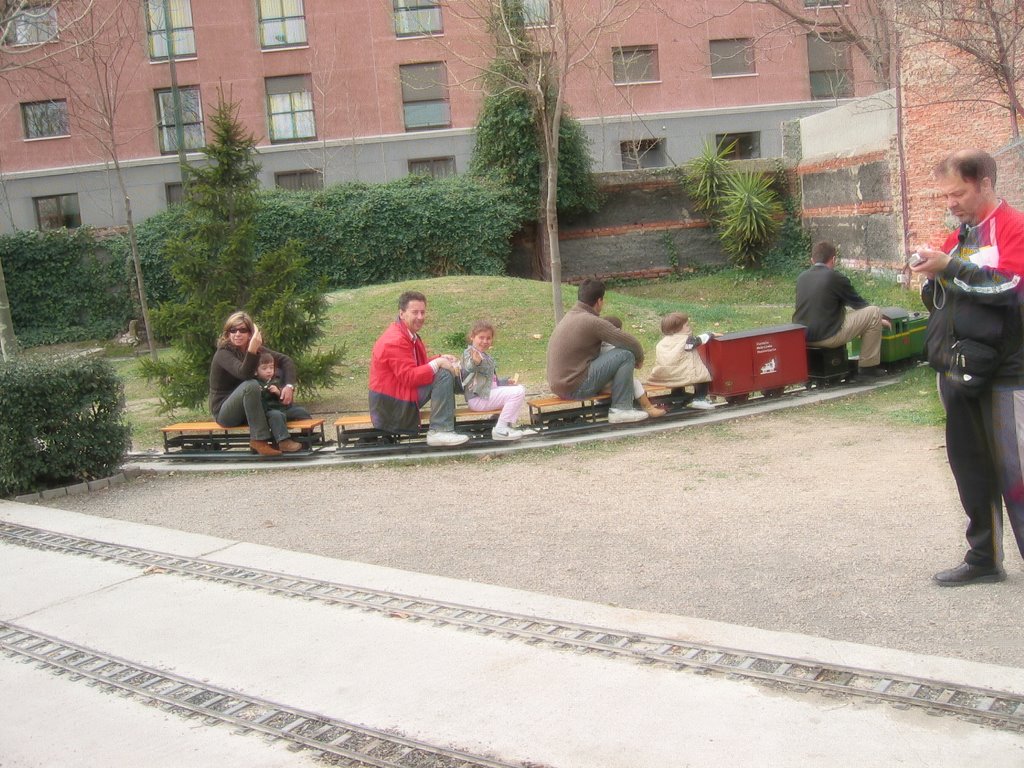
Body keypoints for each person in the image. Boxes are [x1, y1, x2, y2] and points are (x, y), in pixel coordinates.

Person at [910, 148, 1024, 587]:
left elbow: (1012, 285)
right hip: (958, 367)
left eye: (957, 193)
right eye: (944, 195)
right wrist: (932, 270)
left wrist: (950, 268)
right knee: (969, 467)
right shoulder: (961, 236)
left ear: (986, 184)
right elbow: (951, 282)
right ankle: (983, 557)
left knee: (1018, 473)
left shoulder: (1014, 226)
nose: (950, 203)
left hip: (1008, 372)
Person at [369, 291, 469, 447]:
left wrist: (439, 358)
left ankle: (486, 391)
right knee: (442, 374)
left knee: (446, 369)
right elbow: (409, 377)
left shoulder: (406, 334)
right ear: (401, 313)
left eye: (423, 312)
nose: (420, 317)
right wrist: (438, 364)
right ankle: (439, 431)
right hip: (391, 404)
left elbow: (416, 366)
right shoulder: (395, 340)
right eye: (415, 312)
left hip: (397, 395)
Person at [546, 278, 649, 423]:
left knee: (619, 355)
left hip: (559, 385)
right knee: (626, 355)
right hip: (574, 387)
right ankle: (621, 409)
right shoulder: (591, 321)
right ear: (599, 301)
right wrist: (640, 358)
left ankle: (613, 402)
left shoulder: (570, 316)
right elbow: (630, 342)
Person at [209, 311, 310, 456]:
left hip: (251, 408)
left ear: (251, 333)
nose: (237, 334)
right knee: (250, 385)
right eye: (233, 330)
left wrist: (288, 386)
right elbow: (244, 374)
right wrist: (252, 349)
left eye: (242, 330)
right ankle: (259, 440)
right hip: (225, 412)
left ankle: (295, 440)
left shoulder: (257, 351)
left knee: (298, 412)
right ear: (227, 333)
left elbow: (285, 360)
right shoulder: (223, 353)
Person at [793, 241, 890, 377]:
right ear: (833, 259)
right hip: (827, 336)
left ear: (812, 260)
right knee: (874, 312)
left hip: (803, 336)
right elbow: (859, 304)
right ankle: (868, 367)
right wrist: (881, 319)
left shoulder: (801, 278)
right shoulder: (835, 277)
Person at [460, 320, 530, 441]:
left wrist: (505, 382)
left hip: (487, 395)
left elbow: (492, 382)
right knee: (518, 392)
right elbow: (468, 368)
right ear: (472, 337)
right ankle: (501, 429)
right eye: (481, 338)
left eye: (488, 338)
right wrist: (476, 362)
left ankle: (499, 421)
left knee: (517, 389)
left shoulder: (485, 355)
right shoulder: (469, 354)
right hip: (478, 398)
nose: (485, 341)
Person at [646, 312, 716, 410]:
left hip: (664, 375)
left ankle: (677, 394)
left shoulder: (662, 343)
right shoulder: (687, 340)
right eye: (687, 325)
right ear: (677, 329)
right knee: (701, 376)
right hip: (682, 374)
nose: (689, 327)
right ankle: (699, 399)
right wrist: (709, 334)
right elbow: (698, 340)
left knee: (677, 371)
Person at [602, 316, 665, 418]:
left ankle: (601, 403)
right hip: (611, 385)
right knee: (634, 382)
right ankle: (648, 407)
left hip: (599, 383)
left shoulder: (597, 345)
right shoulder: (617, 347)